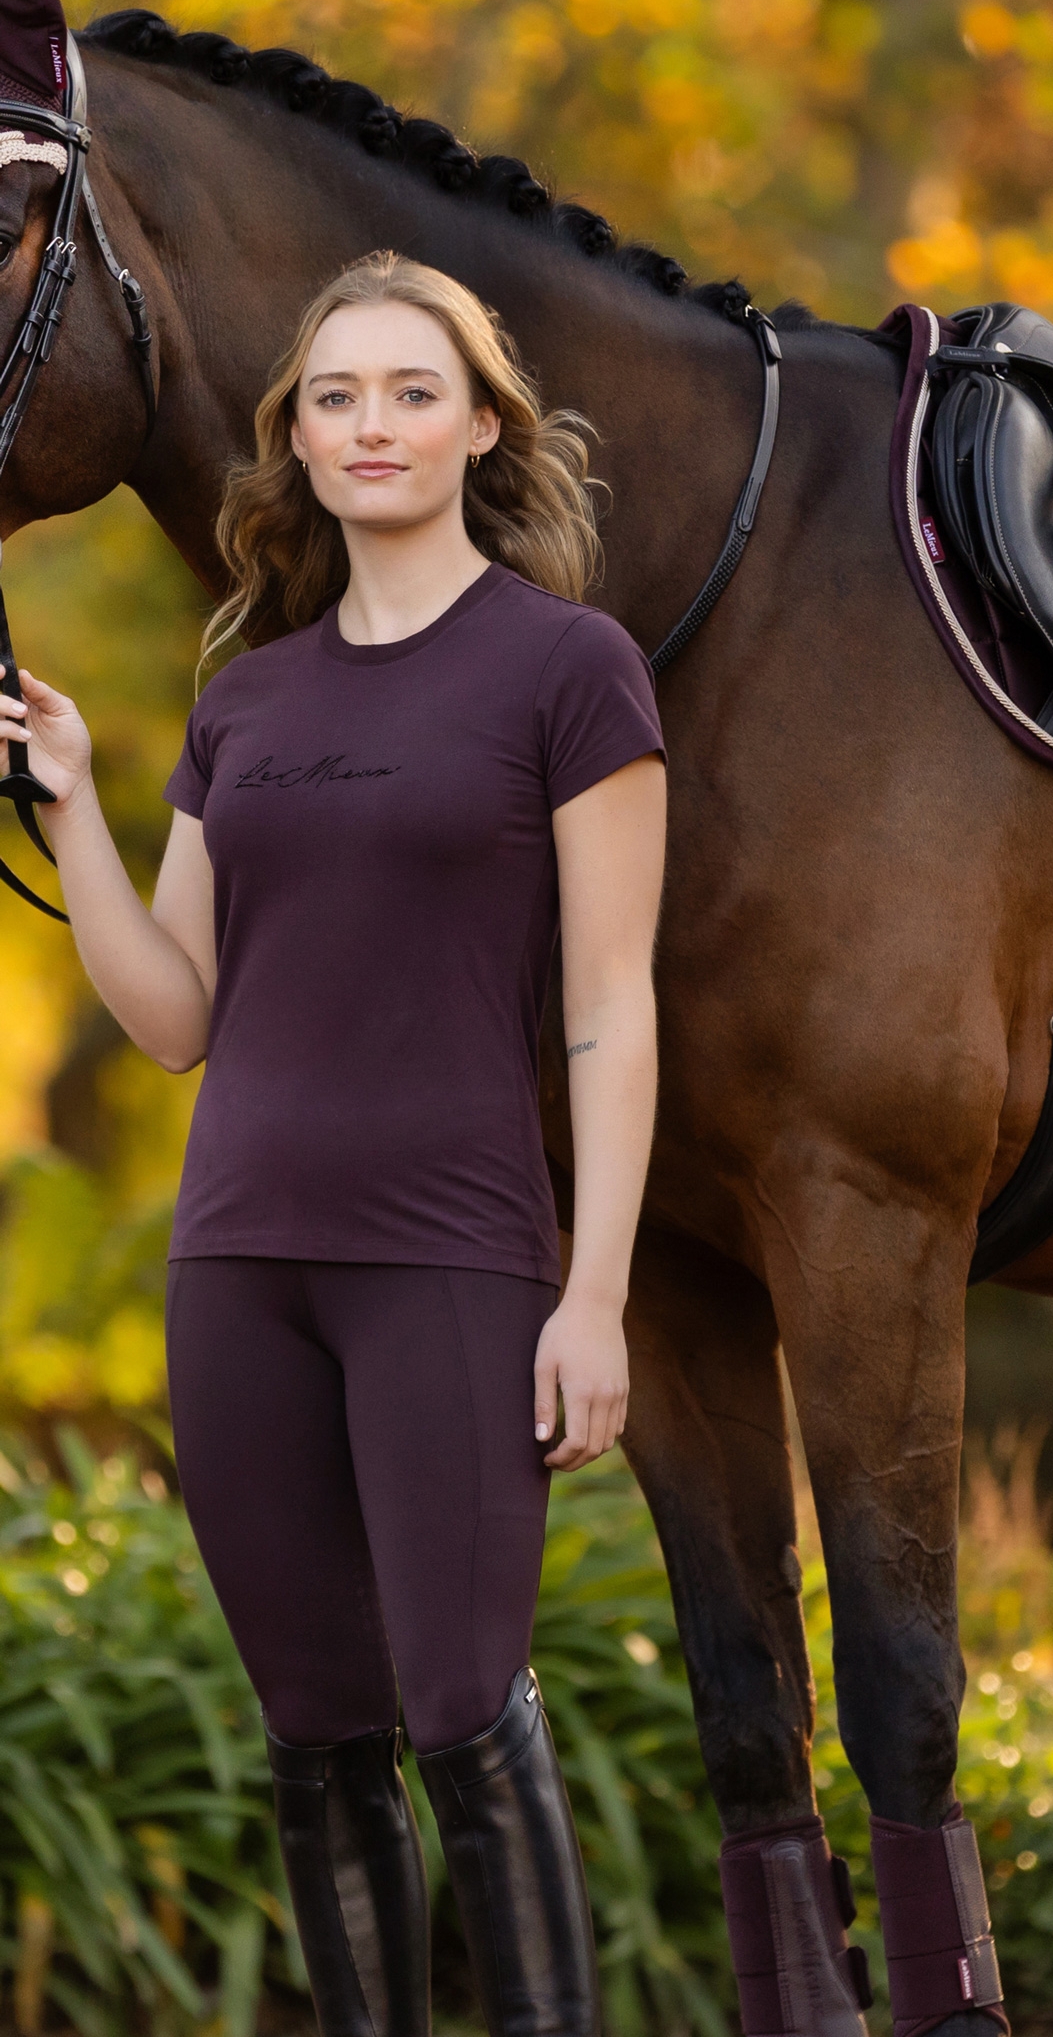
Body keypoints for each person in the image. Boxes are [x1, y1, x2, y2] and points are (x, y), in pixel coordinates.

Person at [2, 251, 667, 2037]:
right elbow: (174, 1014)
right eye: (336, 397)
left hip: (453, 1263)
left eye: (412, 391)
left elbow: (612, 1005)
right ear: (293, 439)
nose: (373, 425)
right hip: (238, 1272)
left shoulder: (571, 672)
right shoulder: (248, 702)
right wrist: (70, 805)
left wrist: (592, 1295)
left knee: (461, 1702)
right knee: (315, 1730)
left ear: (476, 429)